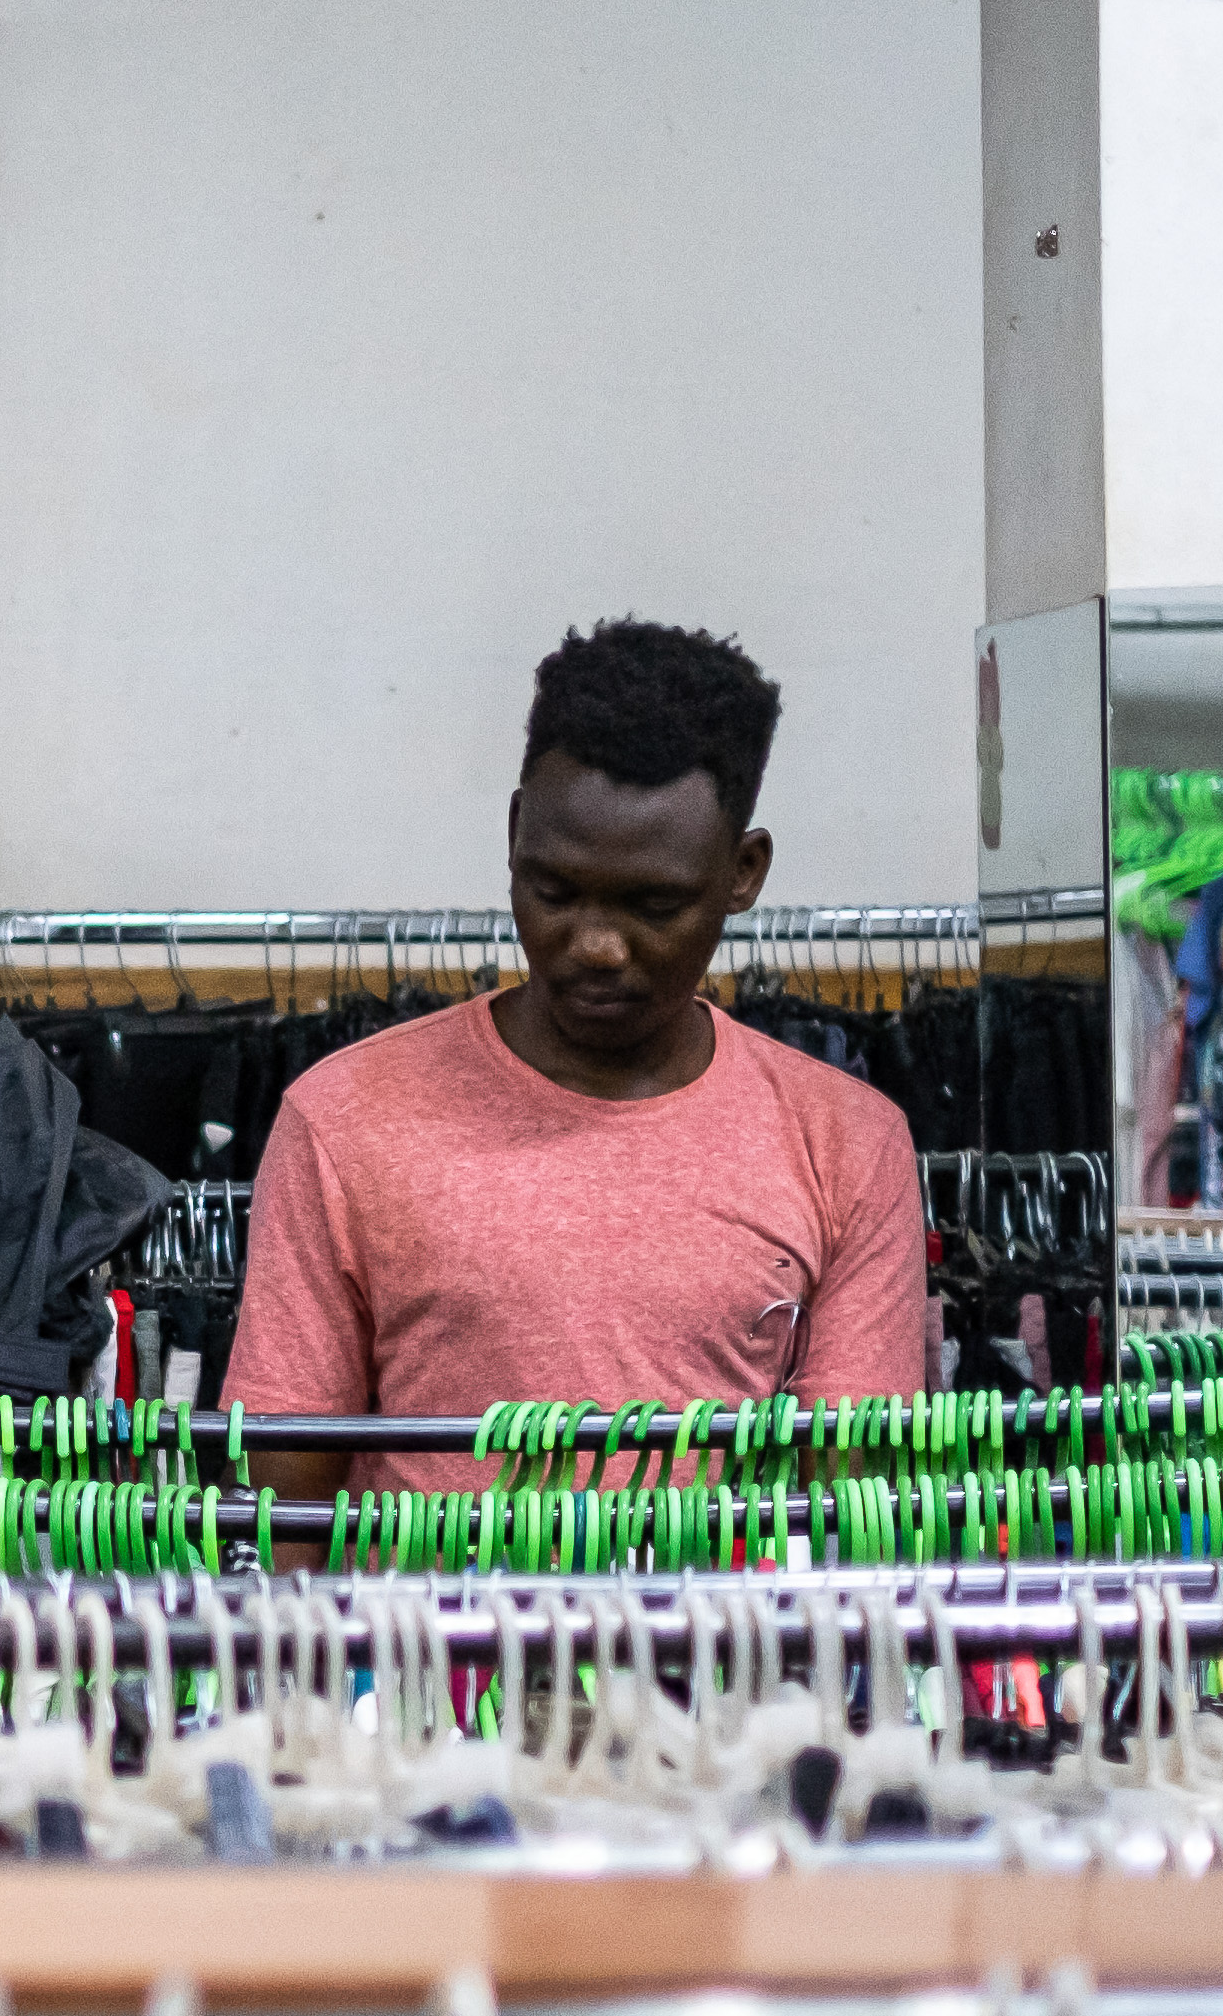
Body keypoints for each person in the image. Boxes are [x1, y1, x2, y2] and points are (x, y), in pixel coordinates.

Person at [221, 620, 923, 1494]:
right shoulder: (344, 1118)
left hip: (719, 1637)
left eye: (652, 907)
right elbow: (282, 1501)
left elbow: (849, 1514)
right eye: (552, 891)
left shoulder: (846, 1143)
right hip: (421, 1636)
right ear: (514, 834)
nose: (594, 945)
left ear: (742, 872)